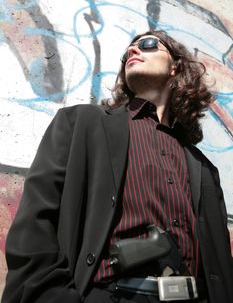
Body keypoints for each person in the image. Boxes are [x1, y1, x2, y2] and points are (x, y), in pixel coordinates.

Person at [2, 30, 233, 303]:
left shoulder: (202, 167)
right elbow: (36, 223)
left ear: (175, 68)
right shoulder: (80, 124)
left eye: (147, 45)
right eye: (128, 52)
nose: (132, 52)